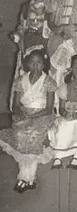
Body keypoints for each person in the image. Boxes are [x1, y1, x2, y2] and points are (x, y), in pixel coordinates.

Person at [0, 50, 55, 192]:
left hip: (42, 115)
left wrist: (33, 117)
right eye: (32, 62)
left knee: (32, 134)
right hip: (24, 114)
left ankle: (24, 178)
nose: (35, 66)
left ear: (43, 65)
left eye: (39, 63)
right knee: (20, 134)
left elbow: (49, 108)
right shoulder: (21, 80)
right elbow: (15, 105)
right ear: (27, 64)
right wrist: (21, 113)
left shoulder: (48, 81)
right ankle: (29, 180)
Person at [13, 0, 52, 83]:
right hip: (29, 42)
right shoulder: (26, 7)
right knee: (27, 68)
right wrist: (18, 33)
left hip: (45, 43)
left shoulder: (51, 6)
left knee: (44, 68)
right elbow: (22, 25)